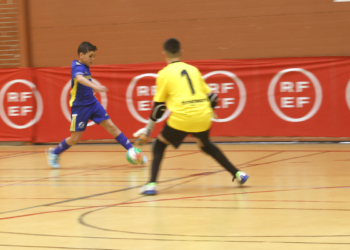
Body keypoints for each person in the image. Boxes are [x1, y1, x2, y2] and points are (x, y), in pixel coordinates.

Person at [134, 38, 249, 195]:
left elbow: (159, 108)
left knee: (159, 145)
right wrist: (211, 109)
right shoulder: (193, 70)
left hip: (183, 116)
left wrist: (147, 131)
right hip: (203, 114)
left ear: (164, 54)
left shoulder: (163, 74)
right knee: (206, 145)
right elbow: (213, 98)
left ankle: (151, 184)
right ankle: (238, 174)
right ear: (181, 52)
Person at [46, 41, 146, 168]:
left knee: (111, 126)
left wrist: (91, 89)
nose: (93, 59)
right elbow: (80, 78)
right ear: (81, 55)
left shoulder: (85, 66)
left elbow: (84, 81)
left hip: (92, 103)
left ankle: (133, 152)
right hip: (80, 107)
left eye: (94, 56)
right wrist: (95, 86)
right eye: (90, 56)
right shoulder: (76, 66)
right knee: (75, 138)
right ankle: (54, 153)